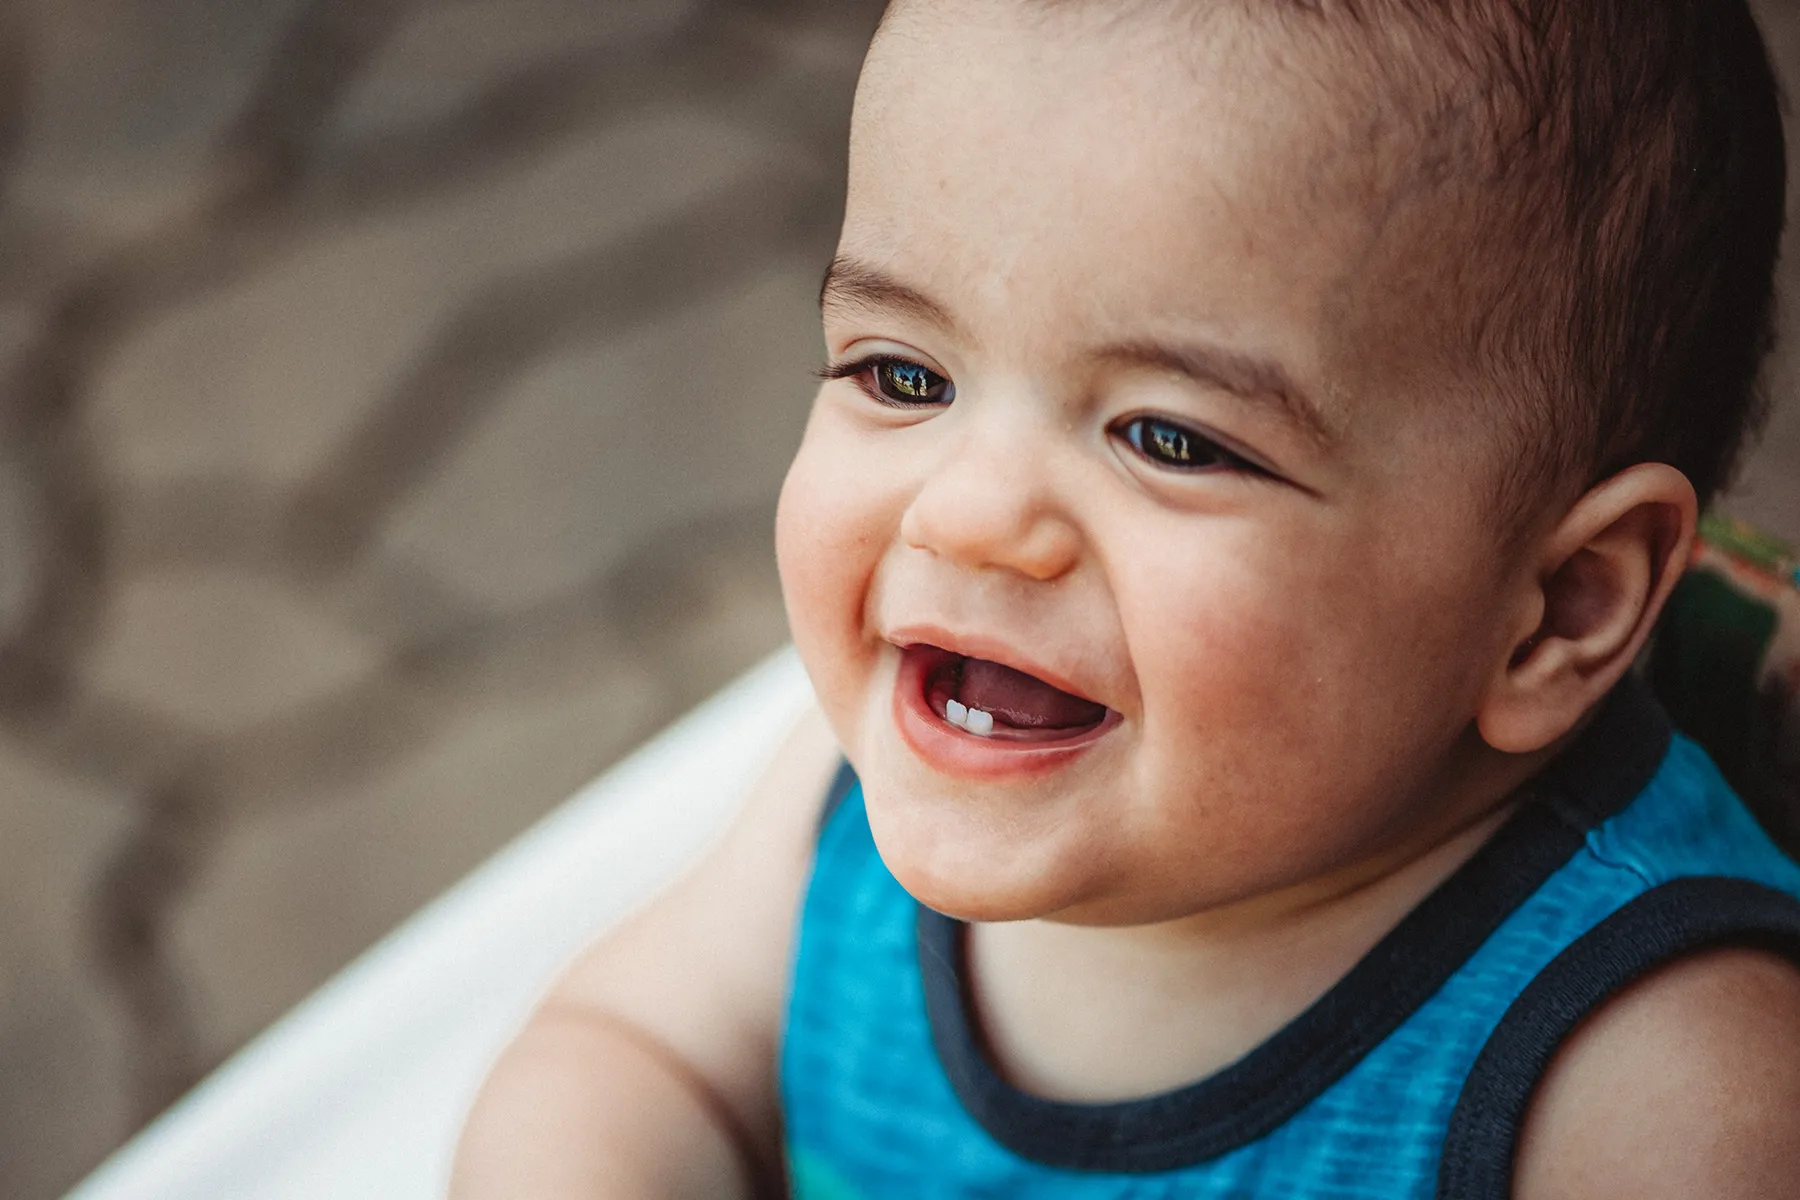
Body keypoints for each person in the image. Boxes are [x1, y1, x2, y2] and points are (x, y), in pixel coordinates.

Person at [450, 0, 1800, 1195]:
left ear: (1556, 606)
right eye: (902, 375)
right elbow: (633, 1055)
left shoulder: (1659, 1087)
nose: (967, 514)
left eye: (1170, 439)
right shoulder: (850, 802)